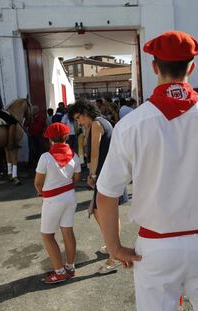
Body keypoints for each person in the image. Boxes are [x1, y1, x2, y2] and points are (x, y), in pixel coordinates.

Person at [95, 30, 198, 311]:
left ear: (154, 67)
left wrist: (114, 246)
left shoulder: (132, 124)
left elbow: (106, 193)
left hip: (156, 247)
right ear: (192, 67)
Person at [68, 100, 121, 274]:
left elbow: (95, 154)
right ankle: (113, 245)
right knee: (103, 212)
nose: (79, 122)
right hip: (108, 174)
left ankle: (115, 255)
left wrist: (92, 175)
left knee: (104, 213)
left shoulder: (97, 124)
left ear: (85, 112)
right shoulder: (102, 121)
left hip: (104, 175)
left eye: (78, 118)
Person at [34, 122, 81, 284]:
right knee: (67, 231)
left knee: (47, 235)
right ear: (67, 136)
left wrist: (42, 193)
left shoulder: (45, 157)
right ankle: (70, 267)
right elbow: (76, 179)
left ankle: (59, 272)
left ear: (49, 138)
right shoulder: (74, 156)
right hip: (70, 196)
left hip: (53, 200)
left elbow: (38, 183)